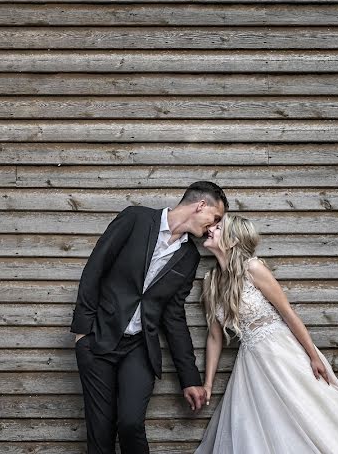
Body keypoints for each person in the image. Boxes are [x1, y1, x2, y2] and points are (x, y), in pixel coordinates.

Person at [194, 214, 338, 453]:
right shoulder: (211, 281)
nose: (210, 230)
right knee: (266, 424)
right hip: (252, 360)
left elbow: (288, 313)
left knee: (309, 413)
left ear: (232, 239)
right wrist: (207, 384)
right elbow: (215, 337)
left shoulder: (254, 268)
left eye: (218, 228)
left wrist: (313, 356)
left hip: (282, 351)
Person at [71, 181, 229, 454]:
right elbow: (95, 269)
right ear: (200, 205)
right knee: (100, 430)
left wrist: (189, 378)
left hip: (140, 348)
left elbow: (174, 317)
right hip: (98, 339)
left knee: (131, 423)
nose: (213, 227)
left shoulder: (188, 256)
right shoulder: (136, 219)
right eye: (215, 218)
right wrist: (83, 333)